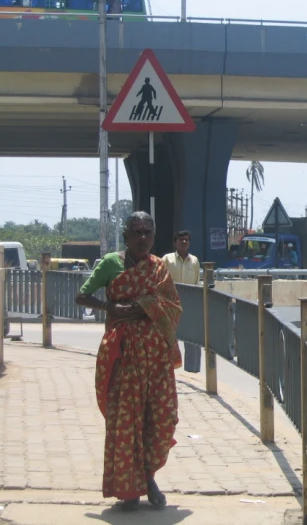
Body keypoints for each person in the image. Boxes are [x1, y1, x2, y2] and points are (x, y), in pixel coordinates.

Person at [74, 212, 182, 511]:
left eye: (148, 231)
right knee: (126, 424)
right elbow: (81, 296)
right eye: (137, 232)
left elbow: (173, 306)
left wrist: (144, 305)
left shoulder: (159, 267)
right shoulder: (111, 264)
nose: (143, 237)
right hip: (123, 357)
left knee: (161, 420)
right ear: (126, 236)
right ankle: (131, 488)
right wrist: (110, 307)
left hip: (157, 359)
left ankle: (148, 477)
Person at [163, 230, 201, 373]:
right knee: (169, 337)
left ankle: (192, 371)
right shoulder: (167, 259)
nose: (184, 242)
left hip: (190, 305)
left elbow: (197, 282)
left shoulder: (195, 261)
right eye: (181, 240)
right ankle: (166, 368)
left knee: (192, 338)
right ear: (175, 243)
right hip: (170, 304)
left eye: (186, 240)